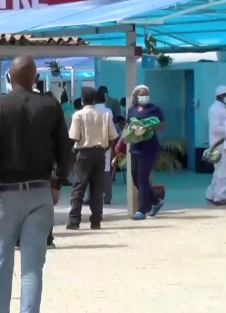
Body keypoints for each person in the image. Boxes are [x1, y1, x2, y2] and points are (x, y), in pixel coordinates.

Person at [0, 54, 72, 313]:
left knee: (1, 264)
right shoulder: (51, 106)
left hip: (5, 196)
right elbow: (65, 153)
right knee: (32, 268)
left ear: (9, 77)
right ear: (35, 78)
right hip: (40, 194)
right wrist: (55, 184)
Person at [67, 87, 118, 230]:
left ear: (82, 100)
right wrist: (105, 148)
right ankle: (96, 221)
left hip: (84, 154)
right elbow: (113, 136)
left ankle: (74, 220)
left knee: (78, 187)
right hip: (100, 154)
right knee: (97, 189)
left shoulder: (78, 115)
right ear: (95, 100)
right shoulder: (105, 114)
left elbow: (74, 137)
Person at [121, 85, 165, 220]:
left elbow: (162, 125)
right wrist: (120, 142)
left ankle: (141, 210)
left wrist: (148, 126)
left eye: (147, 94)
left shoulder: (154, 108)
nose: (144, 97)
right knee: (135, 177)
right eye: (142, 94)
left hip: (149, 147)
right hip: (135, 146)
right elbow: (128, 126)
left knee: (143, 177)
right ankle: (156, 201)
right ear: (136, 96)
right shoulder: (132, 110)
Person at [206, 86, 226, 206]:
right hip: (220, 144)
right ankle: (220, 197)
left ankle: (211, 194)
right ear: (221, 96)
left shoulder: (217, 108)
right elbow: (216, 128)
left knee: (217, 171)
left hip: (217, 143)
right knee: (223, 171)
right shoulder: (218, 110)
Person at [92, 89, 117, 205]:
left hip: (91, 144)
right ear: (105, 99)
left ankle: (92, 196)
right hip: (105, 144)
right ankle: (107, 197)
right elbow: (111, 130)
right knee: (106, 171)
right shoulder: (108, 111)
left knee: (91, 172)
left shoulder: (90, 111)